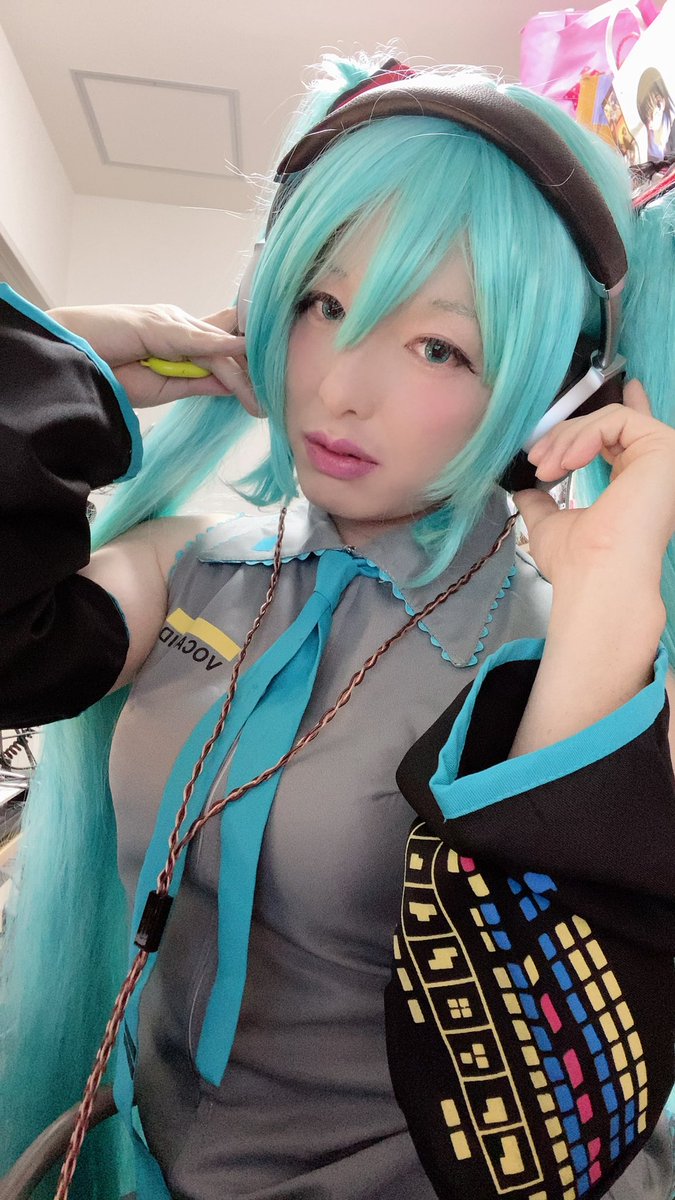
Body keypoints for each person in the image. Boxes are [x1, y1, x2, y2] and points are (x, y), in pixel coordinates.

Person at [1, 52, 674, 1200]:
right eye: (323, 303)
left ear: (555, 394)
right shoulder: (191, 565)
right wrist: (62, 359)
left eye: (438, 346)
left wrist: (611, 606)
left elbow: (544, 1074)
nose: (340, 387)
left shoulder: (558, 656)